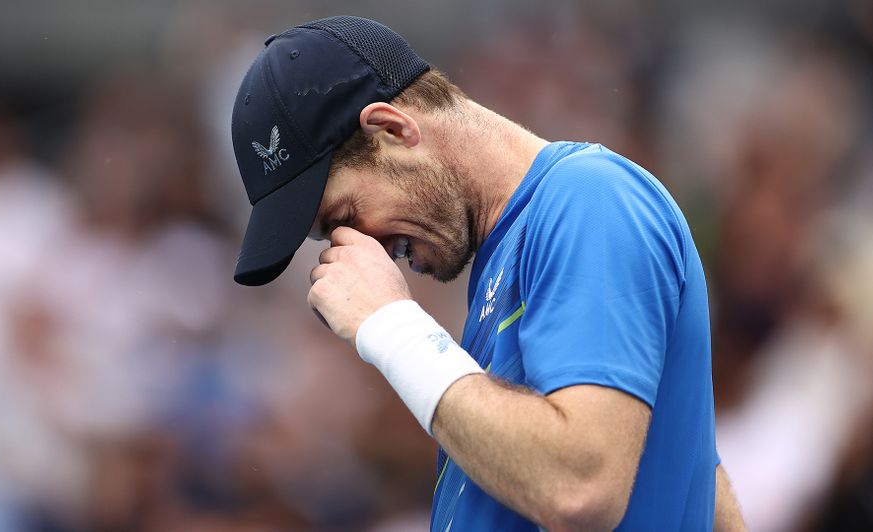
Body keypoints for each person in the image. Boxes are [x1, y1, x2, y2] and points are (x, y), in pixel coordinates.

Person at [228, 16, 746, 531]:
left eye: (344, 218)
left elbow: (578, 487)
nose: (366, 250)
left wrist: (390, 326)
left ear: (392, 129)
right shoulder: (509, 254)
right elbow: (688, 464)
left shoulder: (590, 200)